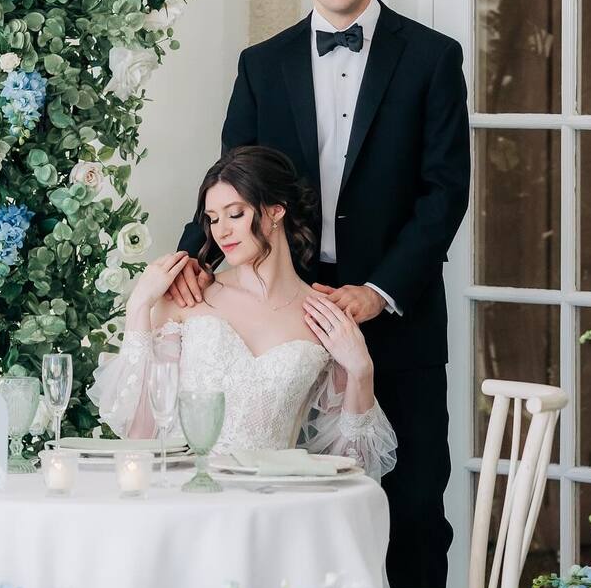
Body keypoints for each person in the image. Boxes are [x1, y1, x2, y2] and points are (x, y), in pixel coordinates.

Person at [168, 0, 470, 588]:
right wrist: (192, 257)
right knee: (289, 506)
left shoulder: (432, 59)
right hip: (282, 320)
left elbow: (444, 192)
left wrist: (377, 292)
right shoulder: (261, 64)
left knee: (413, 505)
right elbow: (231, 177)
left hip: (397, 317)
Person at [89, 146, 397, 483]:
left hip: (267, 504)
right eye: (213, 218)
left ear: (276, 211)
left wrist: (361, 369)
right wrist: (139, 305)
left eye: (235, 214)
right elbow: (140, 434)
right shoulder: (186, 298)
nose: (221, 231)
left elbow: (351, 464)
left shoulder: (321, 315)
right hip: (184, 494)